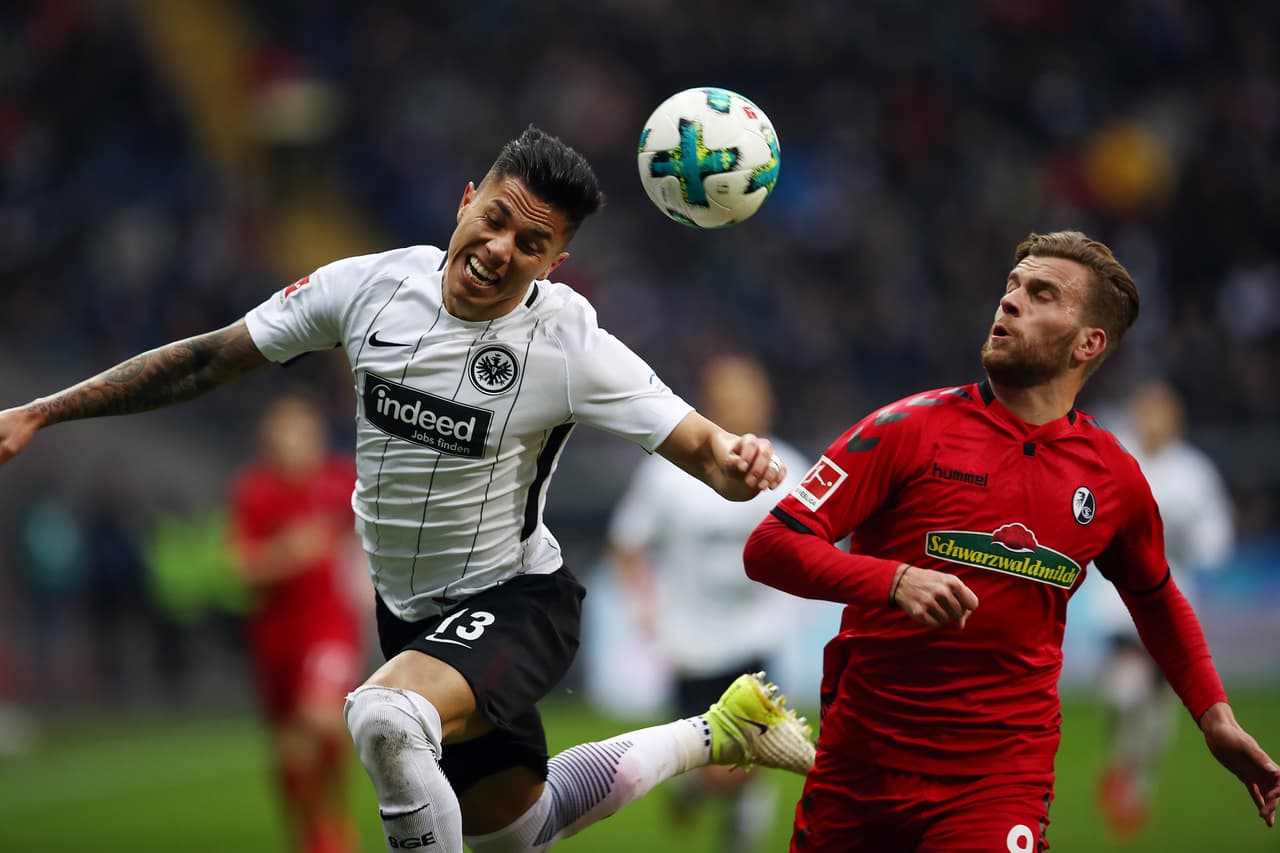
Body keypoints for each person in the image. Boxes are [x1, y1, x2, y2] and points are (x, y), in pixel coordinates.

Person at [0, 126, 815, 853]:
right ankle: (719, 730)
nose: (500, 249)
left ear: (554, 261)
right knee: (518, 831)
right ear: (466, 201)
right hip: (414, 612)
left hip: (519, 601)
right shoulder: (369, 288)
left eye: (531, 243)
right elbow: (211, 358)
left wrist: (734, 459)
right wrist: (40, 411)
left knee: (384, 716)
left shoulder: (567, 341)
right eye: (495, 218)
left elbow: (704, 449)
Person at [742, 231, 1280, 852]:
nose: (1010, 302)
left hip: (999, 780)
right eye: (1012, 287)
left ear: (1088, 343)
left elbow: (1155, 596)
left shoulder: (1112, 477)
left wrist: (1215, 717)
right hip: (861, 768)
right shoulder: (904, 431)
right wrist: (893, 580)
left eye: (1041, 294)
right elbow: (772, 544)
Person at [607, 353, 811, 853]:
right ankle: (692, 789)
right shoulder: (671, 475)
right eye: (732, 395)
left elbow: (817, 544)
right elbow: (626, 542)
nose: (745, 405)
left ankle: (735, 830)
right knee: (714, 764)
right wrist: (644, 606)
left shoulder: (792, 470)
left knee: (747, 759)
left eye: (753, 394)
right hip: (689, 643)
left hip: (753, 638)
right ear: (711, 403)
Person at [1090, 379, 1236, 838]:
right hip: (1117, 598)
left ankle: (1133, 784)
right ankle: (1123, 766)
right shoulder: (1116, 455)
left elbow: (1217, 540)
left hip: (1172, 597)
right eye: (1146, 410)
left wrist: (1193, 542)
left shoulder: (1194, 472)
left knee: (1160, 709)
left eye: (1162, 412)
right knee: (1125, 690)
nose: (1153, 420)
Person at [229, 393, 364, 853]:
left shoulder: (340, 480)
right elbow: (241, 567)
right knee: (290, 749)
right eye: (284, 434)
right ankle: (311, 833)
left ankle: (332, 823)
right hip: (275, 634)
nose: (294, 443)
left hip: (329, 627)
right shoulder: (255, 492)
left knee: (320, 718)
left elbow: (377, 531)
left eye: (302, 433)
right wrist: (287, 553)